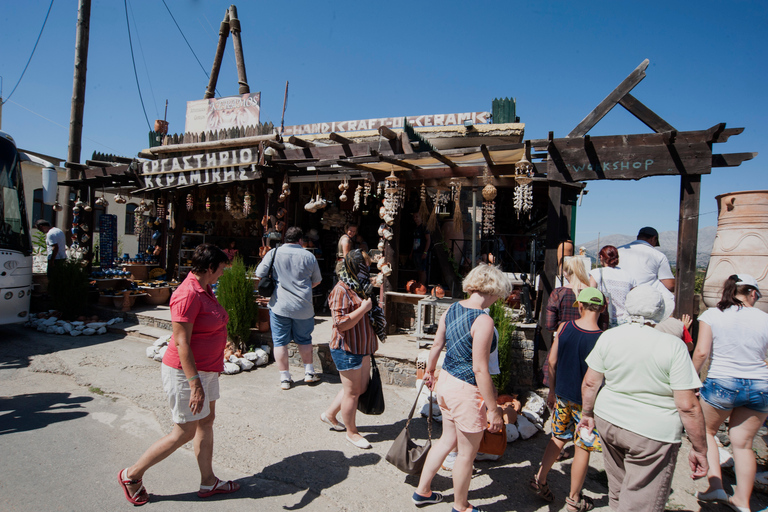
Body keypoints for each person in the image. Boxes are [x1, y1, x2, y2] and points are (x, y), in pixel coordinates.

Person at [118, 244, 238, 506]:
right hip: (187, 373)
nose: (222, 274)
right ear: (209, 268)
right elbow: (182, 342)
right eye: (220, 269)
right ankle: (131, 475)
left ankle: (208, 481)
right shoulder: (187, 294)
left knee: (206, 421)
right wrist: (194, 383)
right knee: (184, 431)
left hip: (206, 370)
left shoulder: (204, 288)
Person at [577, 285, 708, 512]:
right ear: (660, 312)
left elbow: (590, 382)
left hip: (609, 420)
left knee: (618, 488)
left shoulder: (609, 336)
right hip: (652, 433)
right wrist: (699, 448)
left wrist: (587, 414)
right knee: (642, 500)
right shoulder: (673, 346)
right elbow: (688, 406)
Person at [413, 263, 512, 512]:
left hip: (446, 381)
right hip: (467, 390)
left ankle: (422, 491)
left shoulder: (452, 308)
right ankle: (461, 506)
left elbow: (436, 346)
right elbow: (480, 369)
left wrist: (430, 373)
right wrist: (493, 409)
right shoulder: (483, 320)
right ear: (493, 289)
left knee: (446, 440)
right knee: (467, 454)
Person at [692, 274, 768, 512]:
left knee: (707, 431)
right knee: (743, 444)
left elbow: (702, 352)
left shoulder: (713, 314)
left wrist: (691, 379)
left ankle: (716, 485)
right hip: (760, 384)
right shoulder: (765, 318)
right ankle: (742, 501)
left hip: (722, 382)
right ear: (752, 293)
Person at [531, 288, 605, 512]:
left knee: (558, 438)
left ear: (580, 306)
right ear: (601, 309)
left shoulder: (564, 327)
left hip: (562, 395)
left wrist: (552, 391)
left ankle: (540, 478)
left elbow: (552, 362)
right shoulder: (603, 338)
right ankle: (573, 499)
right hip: (587, 405)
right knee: (583, 447)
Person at [322, 249, 386, 449]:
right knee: (352, 393)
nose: (366, 270)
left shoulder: (360, 287)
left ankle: (329, 415)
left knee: (358, 388)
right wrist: (364, 309)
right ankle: (352, 433)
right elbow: (340, 324)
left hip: (362, 346)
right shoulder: (341, 290)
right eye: (364, 267)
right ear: (354, 267)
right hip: (347, 348)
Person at [255, 227, 323, 390]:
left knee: (279, 342)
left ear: (285, 239)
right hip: (303, 306)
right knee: (305, 339)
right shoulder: (308, 256)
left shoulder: (274, 253)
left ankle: (285, 378)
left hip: (279, 305)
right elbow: (317, 281)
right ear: (300, 240)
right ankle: (309, 372)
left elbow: (259, 273)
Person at [618, 227, 675, 315]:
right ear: (653, 239)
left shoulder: (618, 251)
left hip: (620, 299)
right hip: (645, 302)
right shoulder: (658, 255)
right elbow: (669, 285)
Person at [589, 245, 637, 327]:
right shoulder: (628, 276)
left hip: (605, 319)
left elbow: (590, 296)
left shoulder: (597, 273)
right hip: (626, 320)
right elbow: (635, 298)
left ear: (601, 257)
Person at [410, 212, 431, 284]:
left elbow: (428, 239)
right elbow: (414, 241)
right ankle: (419, 284)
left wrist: (425, 252)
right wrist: (411, 252)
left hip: (421, 251)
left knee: (422, 270)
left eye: (417, 217)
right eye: (414, 217)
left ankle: (422, 286)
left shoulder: (424, 227)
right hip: (416, 251)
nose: (415, 219)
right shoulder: (416, 228)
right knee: (418, 269)